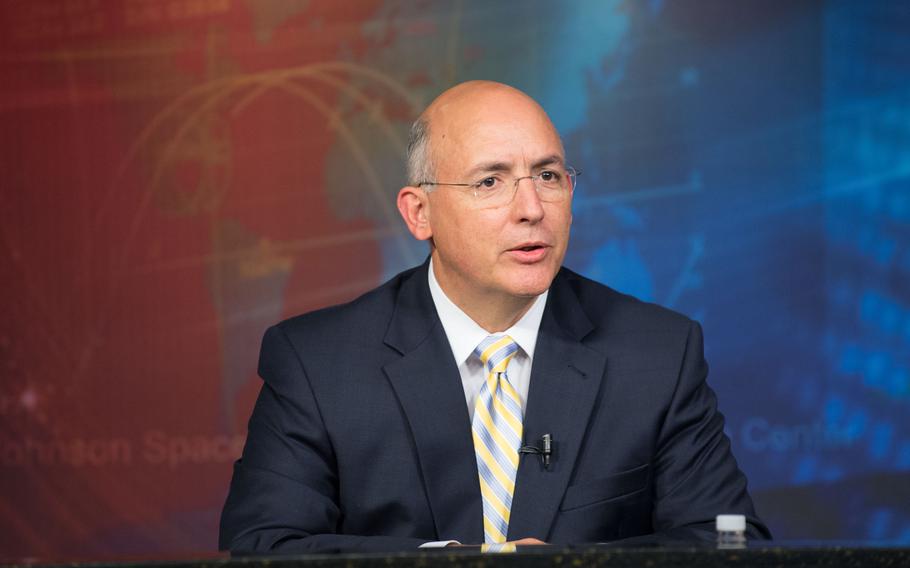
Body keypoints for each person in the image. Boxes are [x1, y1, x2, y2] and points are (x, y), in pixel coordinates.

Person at [219, 80, 770, 554]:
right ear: (420, 212)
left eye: (549, 176)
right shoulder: (318, 364)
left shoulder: (657, 353)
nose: (531, 208)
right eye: (490, 181)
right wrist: (462, 563)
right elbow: (263, 545)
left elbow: (730, 538)